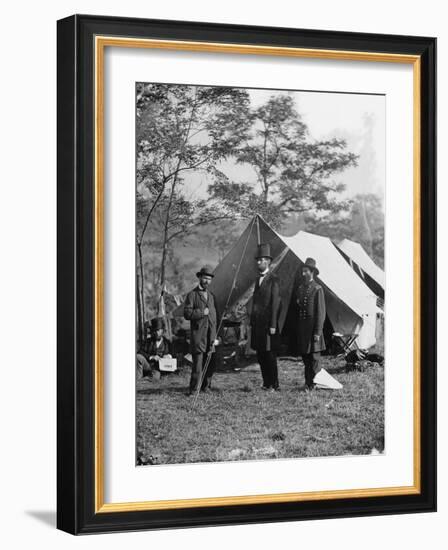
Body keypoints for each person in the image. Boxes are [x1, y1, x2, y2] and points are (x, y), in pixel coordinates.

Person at [183, 265, 220, 395]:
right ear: (200, 278)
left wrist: (215, 336)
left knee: (210, 364)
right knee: (198, 366)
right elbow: (187, 314)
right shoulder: (192, 295)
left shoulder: (211, 296)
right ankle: (193, 389)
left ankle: (206, 387)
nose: (207, 281)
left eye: (209, 279)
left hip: (210, 337)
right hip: (198, 337)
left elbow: (214, 319)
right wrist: (201, 312)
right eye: (205, 278)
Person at [291, 258, 326, 390]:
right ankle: (308, 383)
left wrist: (318, 332)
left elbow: (320, 313)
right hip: (303, 329)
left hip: (313, 330)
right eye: (302, 271)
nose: (303, 274)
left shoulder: (317, 289)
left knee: (314, 358)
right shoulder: (300, 288)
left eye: (305, 271)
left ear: (312, 272)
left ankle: (316, 383)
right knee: (306, 357)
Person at [250, 243, 281, 392]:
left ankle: (274, 384)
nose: (258, 262)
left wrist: (273, 324)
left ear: (268, 261)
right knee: (261, 355)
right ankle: (266, 383)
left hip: (269, 325)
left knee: (269, 355)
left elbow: (275, 304)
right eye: (257, 260)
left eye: (261, 260)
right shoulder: (257, 280)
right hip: (258, 325)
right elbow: (255, 302)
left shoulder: (274, 279)